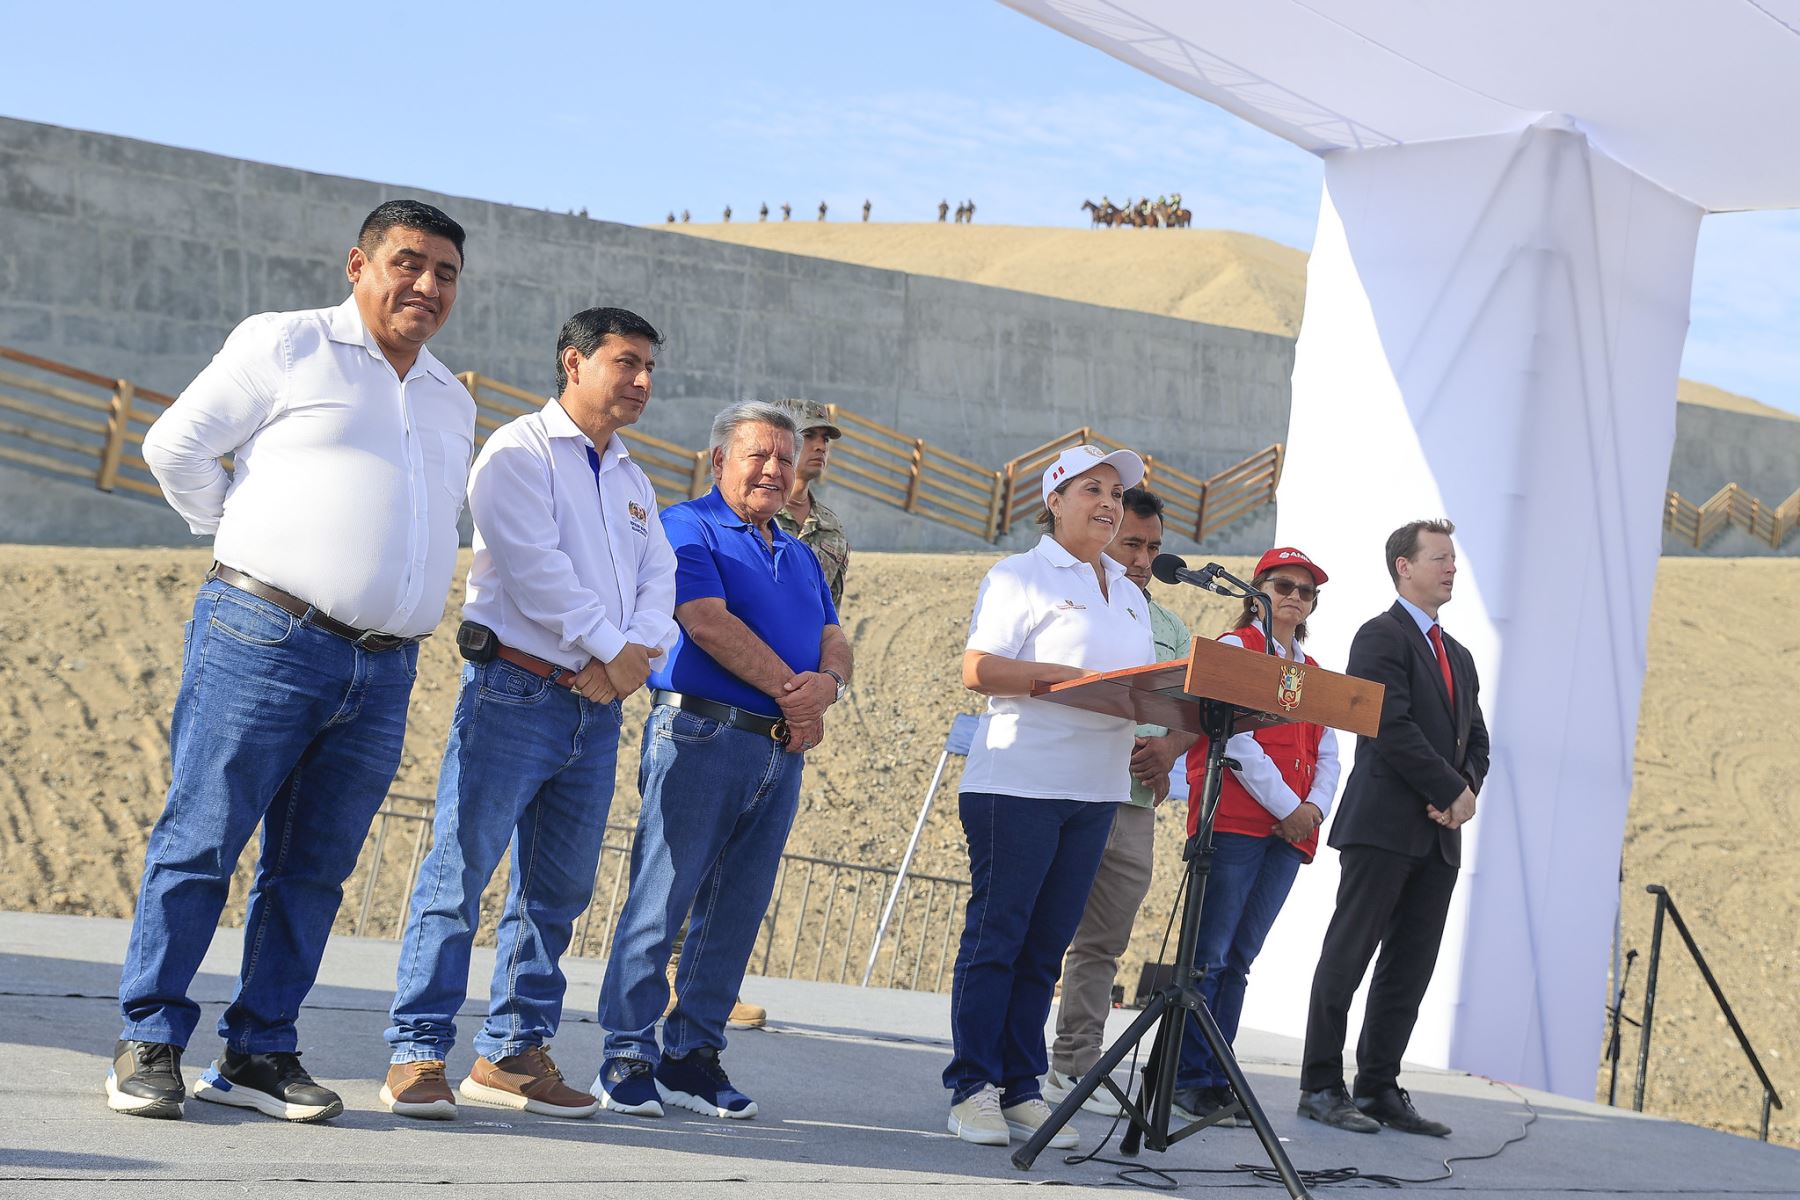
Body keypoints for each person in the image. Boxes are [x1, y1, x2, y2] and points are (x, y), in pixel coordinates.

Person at [114, 200, 471, 1123]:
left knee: (313, 870)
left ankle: (259, 1052)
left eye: (445, 274)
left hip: (384, 668)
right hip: (263, 637)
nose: (426, 286)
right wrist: (232, 533)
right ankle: (148, 1041)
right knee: (202, 842)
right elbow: (174, 446)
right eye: (409, 263)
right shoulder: (287, 345)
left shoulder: (449, 394)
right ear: (359, 263)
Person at [380, 308, 677, 1121]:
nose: (643, 381)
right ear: (573, 362)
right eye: (627, 362)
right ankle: (417, 1050)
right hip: (515, 692)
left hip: (596, 706)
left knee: (557, 891)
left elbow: (663, 578)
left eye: (650, 366)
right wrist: (611, 648)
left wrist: (632, 658)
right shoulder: (518, 452)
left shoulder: (633, 479)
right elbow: (533, 567)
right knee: (459, 875)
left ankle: (512, 1050)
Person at [593, 402, 852, 1121]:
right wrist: (795, 696)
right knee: (663, 898)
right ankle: (626, 1052)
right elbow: (704, 621)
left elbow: (836, 635)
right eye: (757, 456)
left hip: (778, 747)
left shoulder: (798, 550)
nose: (774, 469)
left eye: (783, 458)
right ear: (719, 462)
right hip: (703, 736)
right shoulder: (688, 525)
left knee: (736, 909)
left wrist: (824, 689)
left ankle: (692, 1056)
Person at [945, 444, 1154, 1150]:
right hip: (1020, 784)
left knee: (1044, 950)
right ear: (1055, 500)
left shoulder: (1129, 591)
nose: (1108, 503)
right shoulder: (1021, 574)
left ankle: (1022, 1088)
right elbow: (979, 669)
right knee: (998, 939)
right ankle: (972, 1085)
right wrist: (1065, 680)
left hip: (1096, 791)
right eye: (1091, 489)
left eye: (1117, 493)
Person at [1299, 519, 1488, 1137]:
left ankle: (1378, 1086)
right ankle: (1319, 1085)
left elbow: (1477, 740)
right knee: (1348, 955)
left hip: (1438, 835)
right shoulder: (1379, 636)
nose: (1451, 568)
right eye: (1439, 558)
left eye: (1453, 559)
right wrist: (1447, 790)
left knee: (1410, 966)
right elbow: (1389, 724)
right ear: (1403, 566)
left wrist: (1463, 796)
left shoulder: (1458, 654)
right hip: (1382, 826)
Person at [1168, 547, 1341, 1125]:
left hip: (1288, 834)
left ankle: (1217, 1074)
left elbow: (1330, 749)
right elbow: (1232, 739)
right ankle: (1187, 1076)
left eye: (1305, 590)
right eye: (1282, 585)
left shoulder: (1311, 669)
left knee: (1240, 958)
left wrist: (1314, 809)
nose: (1294, 596)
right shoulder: (1234, 649)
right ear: (1256, 591)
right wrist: (1293, 806)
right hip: (1238, 824)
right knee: (1208, 957)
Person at [1043, 488, 1196, 1116]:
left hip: (1133, 803)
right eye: (1132, 542)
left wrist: (1169, 751)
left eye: (1153, 547)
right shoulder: (1074, 602)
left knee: (1103, 944)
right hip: (1069, 788)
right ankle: (1010, 1068)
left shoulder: (1172, 628)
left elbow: (1192, 712)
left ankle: (1075, 1067)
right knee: (1038, 933)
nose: (1142, 557)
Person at [773, 399, 850, 610]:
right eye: (808, 436)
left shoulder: (831, 526)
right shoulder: (748, 513)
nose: (821, 446)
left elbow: (830, 613)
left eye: (825, 439)